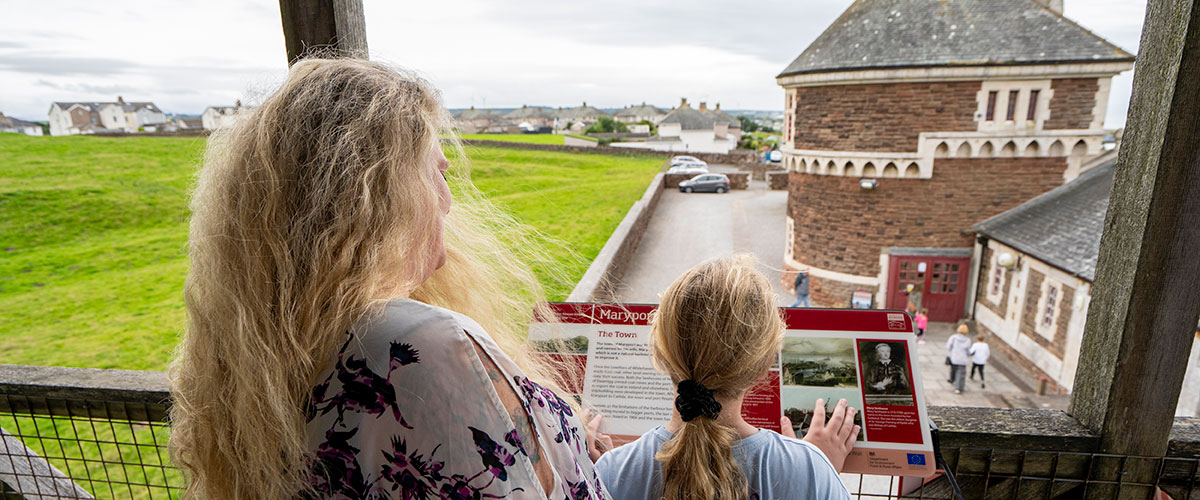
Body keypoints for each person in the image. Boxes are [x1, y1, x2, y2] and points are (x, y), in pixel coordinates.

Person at [168, 59, 608, 499]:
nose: (449, 202)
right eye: (438, 173)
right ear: (386, 196)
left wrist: (564, 448)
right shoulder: (425, 345)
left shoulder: (274, 354)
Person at [596, 256, 853, 500]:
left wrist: (592, 478)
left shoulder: (610, 472)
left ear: (659, 354)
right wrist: (815, 472)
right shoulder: (810, 470)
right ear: (765, 365)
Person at [946, 323, 973, 394]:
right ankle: (958, 388)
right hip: (962, 359)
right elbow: (968, 351)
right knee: (961, 374)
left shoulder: (953, 338)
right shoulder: (968, 340)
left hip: (954, 358)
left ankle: (952, 379)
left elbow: (948, 347)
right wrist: (970, 354)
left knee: (953, 370)